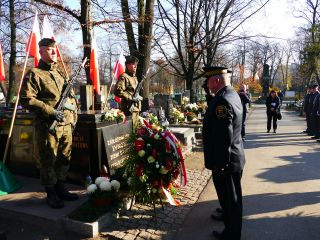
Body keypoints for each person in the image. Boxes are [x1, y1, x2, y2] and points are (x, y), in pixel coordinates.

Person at [20, 38, 78, 209]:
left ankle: (61, 187)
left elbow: (71, 97)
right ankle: (51, 192)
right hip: (48, 126)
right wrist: (51, 111)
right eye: (50, 50)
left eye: (55, 50)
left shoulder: (60, 73)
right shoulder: (35, 74)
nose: (54, 53)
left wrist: (73, 118)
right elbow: (26, 99)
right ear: (41, 52)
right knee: (48, 160)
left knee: (63, 158)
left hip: (66, 124)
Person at [202, 66, 245, 240]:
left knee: (232, 202)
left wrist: (221, 164)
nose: (207, 86)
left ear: (216, 81)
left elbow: (223, 137)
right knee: (229, 200)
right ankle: (229, 225)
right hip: (234, 156)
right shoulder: (231, 94)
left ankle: (232, 235)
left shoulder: (221, 102)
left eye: (209, 82)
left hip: (226, 161)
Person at [114, 55, 142, 130]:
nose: (135, 66)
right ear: (128, 65)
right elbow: (117, 91)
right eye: (133, 64)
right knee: (130, 131)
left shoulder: (134, 78)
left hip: (136, 108)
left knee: (135, 130)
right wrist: (131, 98)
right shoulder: (124, 77)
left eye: (136, 64)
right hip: (128, 108)